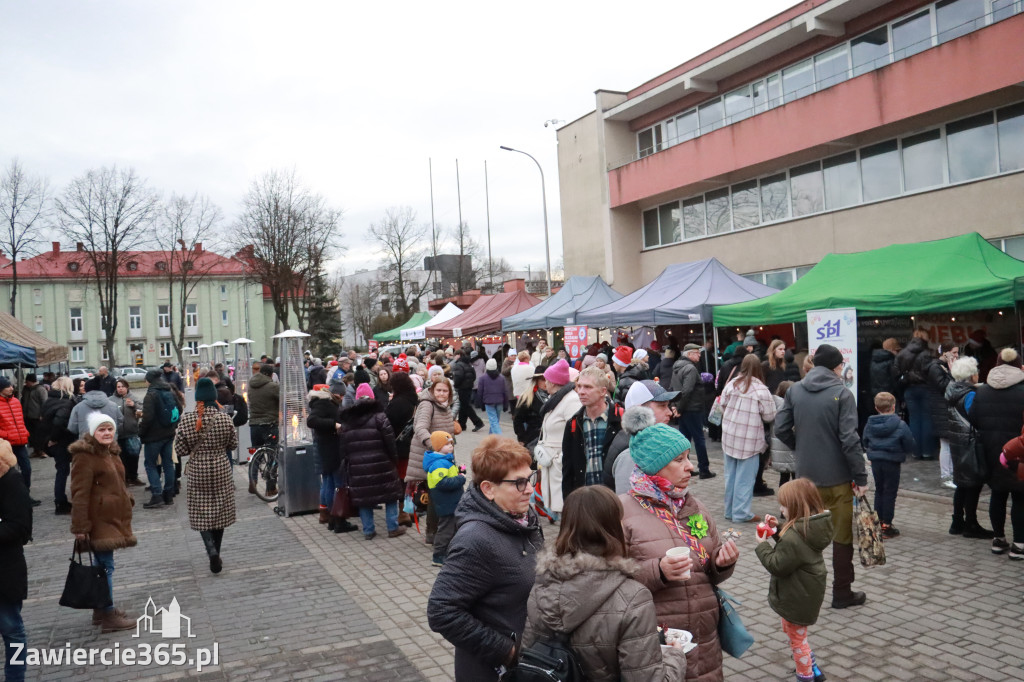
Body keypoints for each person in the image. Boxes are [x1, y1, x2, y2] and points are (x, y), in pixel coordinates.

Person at [523, 485, 688, 682]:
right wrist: (674, 657)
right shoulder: (633, 597)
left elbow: (527, 653)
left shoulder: (542, 584)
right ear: (613, 528)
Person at [620, 423, 739, 681]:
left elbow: (709, 570)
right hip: (657, 638)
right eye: (679, 460)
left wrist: (722, 563)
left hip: (705, 637)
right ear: (655, 467)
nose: (690, 467)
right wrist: (658, 571)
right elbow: (609, 581)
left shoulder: (694, 505)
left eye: (688, 457)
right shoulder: (621, 512)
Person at [427, 436, 543, 681]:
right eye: (519, 483)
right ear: (488, 489)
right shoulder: (476, 539)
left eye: (530, 478)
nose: (530, 489)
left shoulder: (522, 518)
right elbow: (441, 610)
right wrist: (506, 651)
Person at [776, 344, 869, 609]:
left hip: (805, 478)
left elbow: (781, 428)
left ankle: (803, 592)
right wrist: (860, 477)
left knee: (804, 536)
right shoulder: (842, 393)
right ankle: (841, 592)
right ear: (837, 366)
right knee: (841, 538)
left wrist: (802, 445)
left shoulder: (794, 390)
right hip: (838, 478)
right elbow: (850, 440)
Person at [754, 479, 833, 682]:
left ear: (796, 507)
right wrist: (776, 529)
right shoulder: (810, 528)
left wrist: (762, 545)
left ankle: (805, 675)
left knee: (797, 641)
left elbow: (777, 565)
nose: (781, 509)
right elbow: (794, 546)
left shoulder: (795, 537)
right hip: (806, 591)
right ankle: (812, 667)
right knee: (796, 634)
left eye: (784, 505)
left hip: (798, 594)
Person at [69, 413, 137, 632]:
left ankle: (101, 609)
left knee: (102, 565)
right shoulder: (85, 456)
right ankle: (108, 615)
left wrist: (126, 498)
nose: (107, 433)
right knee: (105, 566)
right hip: (97, 519)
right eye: (101, 430)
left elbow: (115, 481)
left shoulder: (110, 451)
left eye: (109, 429)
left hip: (110, 517)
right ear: (92, 432)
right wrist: (80, 528)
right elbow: (79, 493)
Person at [175, 378, 238, 573]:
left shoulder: (187, 419)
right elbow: (233, 445)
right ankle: (216, 552)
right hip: (221, 468)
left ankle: (210, 550)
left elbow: (180, 449)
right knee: (220, 510)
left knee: (201, 512)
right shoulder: (224, 418)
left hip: (197, 470)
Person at [968, 347, 1024, 558]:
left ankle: (999, 540)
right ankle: (1019, 544)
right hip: (1019, 451)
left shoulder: (982, 390)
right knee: (1020, 496)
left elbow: (973, 417)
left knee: (998, 494)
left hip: (991, 451)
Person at [341, 383, 405, 540]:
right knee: (390, 495)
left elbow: (344, 447)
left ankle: (368, 531)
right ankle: (392, 528)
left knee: (364, 498)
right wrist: (393, 460)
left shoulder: (347, 421)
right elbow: (390, 442)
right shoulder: (380, 417)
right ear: (372, 398)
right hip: (382, 463)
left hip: (358, 467)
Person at [720, 354, 777, 523]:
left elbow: (722, 405)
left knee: (730, 476)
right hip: (749, 439)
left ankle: (729, 511)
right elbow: (769, 415)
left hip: (730, 435)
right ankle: (741, 513)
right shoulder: (761, 390)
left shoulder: (732, 384)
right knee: (745, 479)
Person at [945, 356, 993, 538]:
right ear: (970, 375)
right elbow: (975, 417)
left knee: (961, 483)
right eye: (976, 371)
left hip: (958, 442)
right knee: (973, 484)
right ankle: (971, 524)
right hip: (969, 443)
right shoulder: (970, 394)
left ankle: (957, 521)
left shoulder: (951, 390)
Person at [605, 379, 679, 491]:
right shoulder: (631, 451)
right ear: (641, 411)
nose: (669, 412)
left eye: (668, 406)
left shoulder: (645, 440)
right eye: (662, 406)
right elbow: (627, 503)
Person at [407, 376, 456, 545]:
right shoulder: (427, 404)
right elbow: (419, 428)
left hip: (443, 457)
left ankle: (436, 532)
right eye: (439, 390)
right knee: (436, 496)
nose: (442, 394)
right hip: (431, 457)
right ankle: (433, 533)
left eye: (445, 391)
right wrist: (434, 445)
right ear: (433, 391)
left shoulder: (444, 406)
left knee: (438, 495)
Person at [562, 366, 622, 501]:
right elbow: (568, 469)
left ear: (603, 391)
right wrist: (568, 503)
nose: (581, 392)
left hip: (613, 499)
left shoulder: (620, 421)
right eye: (579, 386)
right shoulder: (573, 424)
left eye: (588, 387)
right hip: (585, 500)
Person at [862, 391, 915, 539]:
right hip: (892, 461)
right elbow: (909, 443)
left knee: (879, 490)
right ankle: (887, 525)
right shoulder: (900, 424)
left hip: (876, 462)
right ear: (893, 407)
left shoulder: (870, 423)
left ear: (876, 407)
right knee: (890, 492)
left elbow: (865, 441)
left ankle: (878, 521)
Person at [0, 438, 31, 682]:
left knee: (12, 631)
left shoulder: (10, 481)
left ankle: (15, 678)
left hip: (5, 572)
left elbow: (21, 529)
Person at [534, 360, 581, 517]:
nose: (545, 383)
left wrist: (562, 457)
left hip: (560, 461)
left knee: (565, 505)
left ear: (553, 382)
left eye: (547, 379)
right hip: (551, 461)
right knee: (556, 504)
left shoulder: (571, 400)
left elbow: (576, 432)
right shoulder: (555, 399)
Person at [307, 383, 356, 533]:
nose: (342, 398)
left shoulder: (323, 402)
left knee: (329, 482)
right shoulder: (324, 403)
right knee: (338, 485)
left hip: (326, 447)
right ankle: (339, 519)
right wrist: (333, 424)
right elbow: (311, 421)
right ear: (334, 394)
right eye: (341, 395)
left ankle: (333, 519)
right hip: (331, 448)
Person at [673, 343, 716, 480]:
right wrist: (679, 408)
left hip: (684, 408)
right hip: (692, 408)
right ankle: (704, 469)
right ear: (690, 354)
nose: (699, 355)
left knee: (684, 441)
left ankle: (685, 468)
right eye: (697, 353)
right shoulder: (690, 368)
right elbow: (687, 390)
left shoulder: (677, 367)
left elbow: (673, 387)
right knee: (699, 439)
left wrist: (676, 406)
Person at [139, 368, 179, 509]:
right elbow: (178, 409)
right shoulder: (169, 391)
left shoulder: (151, 395)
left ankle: (157, 495)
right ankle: (169, 494)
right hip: (168, 434)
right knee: (168, 463)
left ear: (149, 380)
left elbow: (147, 418)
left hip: (154, 436)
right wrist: (173, 426)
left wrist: (141, 433)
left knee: (150, 464)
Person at [424, 431, 465, 566]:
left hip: (451, 500)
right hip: (446, 502)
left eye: (451, 444)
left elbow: (448, 476)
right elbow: (443, 483)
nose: (450, 447)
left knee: (452, 527)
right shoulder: (438, 464)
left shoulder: (445, 460)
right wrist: (460, 479)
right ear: (437, 446)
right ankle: (438, 556)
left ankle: (449, 552)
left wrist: (458, 471)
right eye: (446, 444)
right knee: (445, 529)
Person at [894, 336, 936, 459]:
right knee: (927, 419)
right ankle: (927, 451)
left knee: (914, 419)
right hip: (925, 389)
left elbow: (895, 373)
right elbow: (931, 372)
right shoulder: (927, 354)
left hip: (909, 389)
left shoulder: (902, 354)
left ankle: (916, 451)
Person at [385, 371, 418, 528]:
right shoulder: (414, 401)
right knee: (410, 479)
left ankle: (403, 512)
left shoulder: (396, 403)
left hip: (399, 447)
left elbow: (387, 425)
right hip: (414, 445)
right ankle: (411, 509)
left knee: (400, 479)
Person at [0, 377, 36, 507]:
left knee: (26, 469)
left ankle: (25, 495)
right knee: (10, 473)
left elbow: (20, 420)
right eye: (7, 386)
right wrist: (8, 435)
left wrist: (24, 432)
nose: (11, 388)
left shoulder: (15, 401)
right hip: (6, 445)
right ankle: (12, 498)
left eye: (11, 386)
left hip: (20, 442)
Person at [247, 363, 279, 495]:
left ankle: (252, 480)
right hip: (269, 424)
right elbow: (283, 400)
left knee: (255, 453)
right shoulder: (272, 386)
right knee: (273, 455)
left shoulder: (251, 384)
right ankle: (270, 488)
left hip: (254, 425)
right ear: (271, 374)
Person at [927, 347, 957, 488]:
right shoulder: (935, 367)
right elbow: (944, 386)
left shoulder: (941, 366)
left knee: (949, 443)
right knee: (945, 443)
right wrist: (952, 372)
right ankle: (946, 476)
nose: (956, 355)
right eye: (954, 352)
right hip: (940, 408)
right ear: (945, 352)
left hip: (945, 407)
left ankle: (950, 473)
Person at [110, 379, 143, 487]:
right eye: (118, 387)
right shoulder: (111, 400)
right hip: (117, 434)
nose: (120, 389)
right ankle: (123, 478)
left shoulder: (133, 398)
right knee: (121, 458)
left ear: (127, 387)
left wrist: (134, 405)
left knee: (133, 456)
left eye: (122, 387)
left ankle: (133, 477)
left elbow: (143, 410)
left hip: (132, 432)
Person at [768, 381, 797, 488]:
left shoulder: (773, 406)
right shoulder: (790, 409)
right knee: (796, 479)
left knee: (783, 478)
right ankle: (795, 502)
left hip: (779, 451)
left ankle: (783, 499)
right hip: (792, 450)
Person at [512, 370, 547, 448]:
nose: (546, 382)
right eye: (543, 379)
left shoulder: (553, 395)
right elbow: (518, 420)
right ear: (536, 380)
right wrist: (522, 439)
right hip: (532, 438)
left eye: (547, 379)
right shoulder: (528, 397)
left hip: (549, 439)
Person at [453, 349, 484, 433]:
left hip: (462, 388)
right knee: (463, 406)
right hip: (469, 387)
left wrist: (455, 384)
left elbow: (458, 377)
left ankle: (478, 422)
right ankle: (462, 425)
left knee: (466, 406)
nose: (454, 357)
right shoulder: (469, 363)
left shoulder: (458, 365)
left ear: (458, 355)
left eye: (454, 355)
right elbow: (474, 375)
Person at [477, 358, 508, 434]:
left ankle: (499, 439)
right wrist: (506, 404)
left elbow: (480, 392)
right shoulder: (502, 378)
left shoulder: (482, 378)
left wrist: (481, 404)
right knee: (495, 421)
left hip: (488, 402)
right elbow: (505, 392)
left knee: (493, 421)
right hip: (500, 401)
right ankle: (491, 438)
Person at [21, 374, 47, 459]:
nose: (26, 383)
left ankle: (42, 451)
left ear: (31, 381)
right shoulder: (26, 389)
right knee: (31, 435)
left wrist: (42, 414)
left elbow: (44, 402)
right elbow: (23, 400)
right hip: (27, 416)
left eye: (27, 381)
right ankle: (36, 451)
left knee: (39, 434)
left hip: (37, 416)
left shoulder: (40, 389)